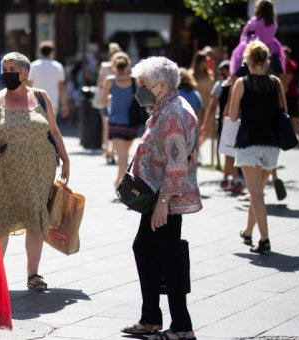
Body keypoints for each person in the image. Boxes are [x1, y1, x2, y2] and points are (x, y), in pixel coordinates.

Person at [120, 56, 201, 340]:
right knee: (145, 248)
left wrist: (164, 203)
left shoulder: (173, 114)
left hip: (165, 197)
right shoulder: (163, 107)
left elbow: (177, 164)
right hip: (156, 194)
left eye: (143, 84)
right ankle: (151, 318)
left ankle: (181, 326)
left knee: (168, 258)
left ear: (162, 85)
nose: (139, 89)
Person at [0, 52, 70, 291]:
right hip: (3, 173)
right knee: (1, 220)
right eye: (4, 69)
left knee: (35, 218)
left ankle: (33, 275)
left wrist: (66, 160)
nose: (7, 74)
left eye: (12, 69)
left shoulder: (40, 97)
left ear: (25, 73)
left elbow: (54, 130)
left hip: (40, 169)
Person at [228, 41, 283, 254]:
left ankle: (265, 240)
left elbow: (232, 116)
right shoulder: (276, 82)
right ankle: (248, 232)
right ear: (266, 60)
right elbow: (283, 110)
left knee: (256, 194)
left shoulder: (241, 83)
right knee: (257, 193)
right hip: (271, 143)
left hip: (249, 141)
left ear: (248, 61)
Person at [100, 51, 137, 187]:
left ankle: (122, 183)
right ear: (128, 65)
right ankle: (119, 179)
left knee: (122, 155)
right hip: (132, 122)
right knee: (124, 154)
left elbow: (103, 102)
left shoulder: (110, 80)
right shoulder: (135, 80)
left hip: (116, 121)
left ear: (114, 66)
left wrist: (112, 98)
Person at [210, 61, 245, 193]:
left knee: (228, 151)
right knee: (228, 151)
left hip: (229, 121)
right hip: (234, 121)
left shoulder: (231, 86)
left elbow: (226, 108)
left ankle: (236, 180)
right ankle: (225, 178)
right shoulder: (231, 85)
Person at [230, 0, 285, 77]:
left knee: (238, 58)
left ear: (259, 8)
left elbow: (245, 34)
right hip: (270, 48)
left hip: (255, 47)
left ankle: (235, 76)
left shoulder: (255, 22)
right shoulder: (274, 24)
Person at [95, 42, 123, 164]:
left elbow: (99, 84)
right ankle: (114, 151)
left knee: (106, 127)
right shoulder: (122, 68)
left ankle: (107, 151)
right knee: (116, 126)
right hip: (118, 99)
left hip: (105, 99)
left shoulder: (105, 66)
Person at [28, 40, 69, 119]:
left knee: (38, 128)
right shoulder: (58, 66)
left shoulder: (34, 65)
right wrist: (64, 104)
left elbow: (28, 85)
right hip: (52, 102)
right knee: (51, 128)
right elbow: (61, 87)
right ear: (52, 52)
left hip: (36, 101)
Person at [190, 51, 214, 144]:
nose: (206, 63)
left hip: (207, 105)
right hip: (197, 106)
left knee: (207, 131)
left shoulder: (209, 74)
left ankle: (196, 147)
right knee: (196, 130)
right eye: (204, 61)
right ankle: (194, 149)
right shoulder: (191, 75)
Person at [284, 46, 299, 148]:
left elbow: (287, 81)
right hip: (288, 95)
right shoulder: (285, 65)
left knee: (294, 118)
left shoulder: (291, 65)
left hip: (291, 96)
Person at [178, 68, 204, 136]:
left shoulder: (174, 94)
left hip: (177, 130)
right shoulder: (196, 94)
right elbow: (199, 115)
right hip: (192, 132)